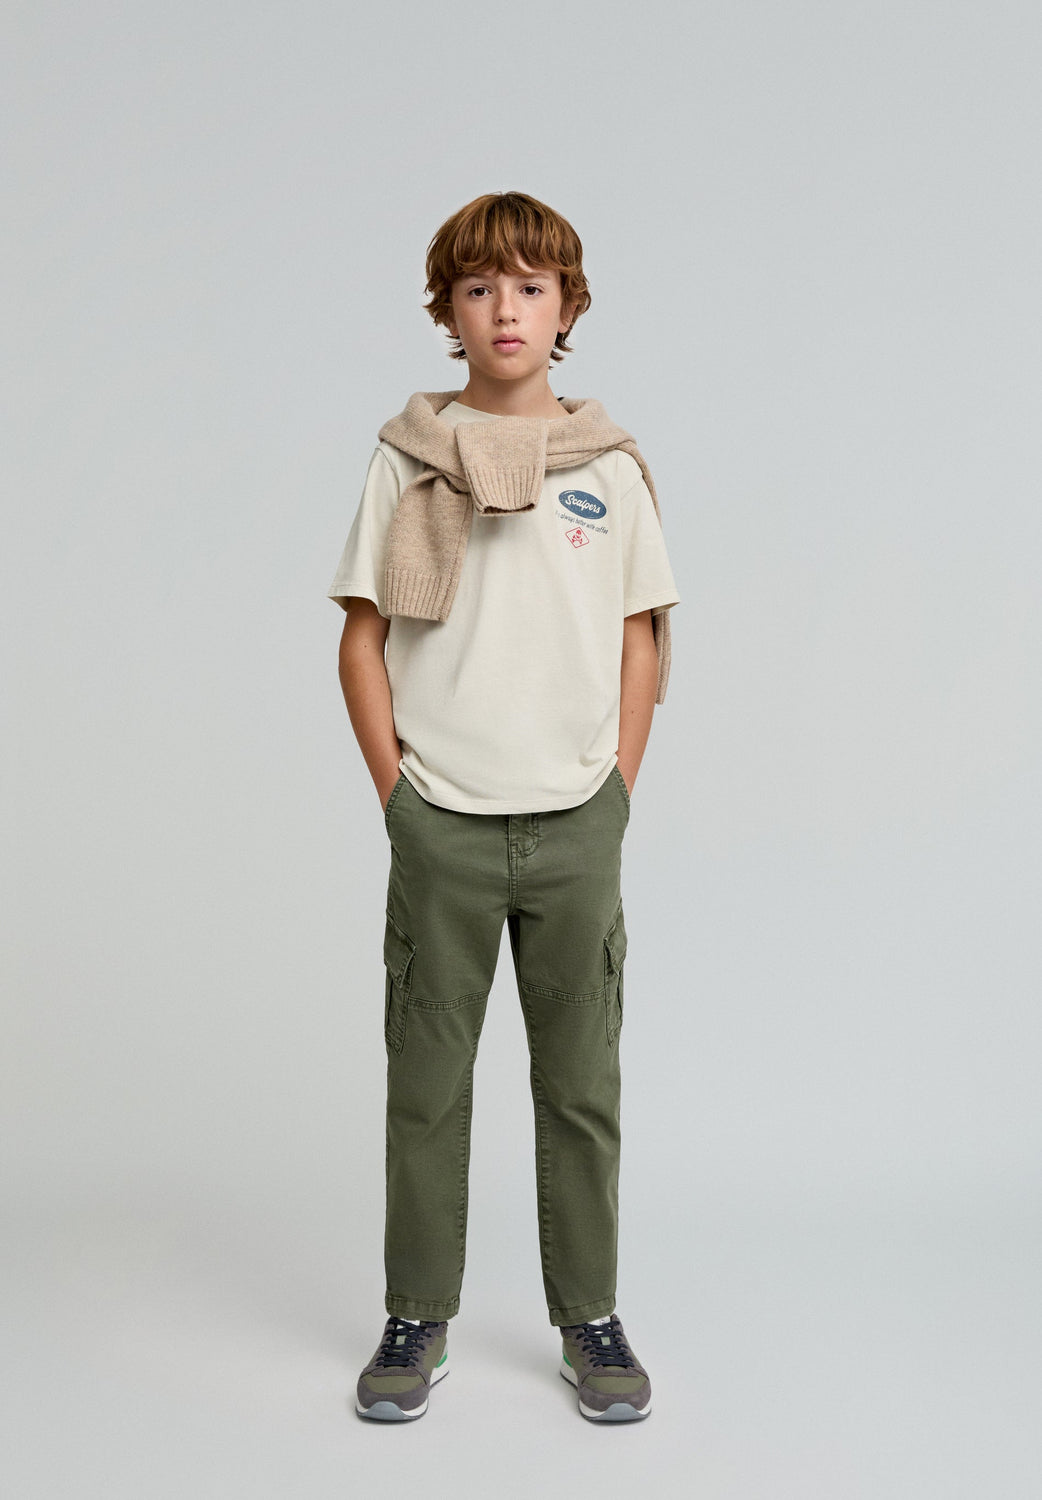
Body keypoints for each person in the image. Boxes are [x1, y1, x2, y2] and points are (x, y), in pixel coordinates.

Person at [329, 191, 679, 1423]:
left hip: (577, 821)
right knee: (425, 1085)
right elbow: (362, 637)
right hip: (443, 823)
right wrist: (399, 796)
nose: (505, 310)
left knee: (581, 1085)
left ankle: (590, 1317)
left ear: (568, 306)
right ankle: (415, 1314)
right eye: (479, 288)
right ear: (449, 311)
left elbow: (640, 637)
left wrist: (616, 788)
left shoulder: (610, 467)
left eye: (531, 287)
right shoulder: (405, 458)